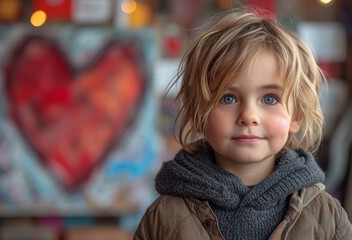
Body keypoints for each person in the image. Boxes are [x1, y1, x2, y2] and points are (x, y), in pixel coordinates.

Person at [134, 9, 352, 240]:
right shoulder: (165, 218)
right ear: (199, 113)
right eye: (228, 98)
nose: (249, 116)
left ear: (296, 116)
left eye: (270, 99)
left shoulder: (327, 218)